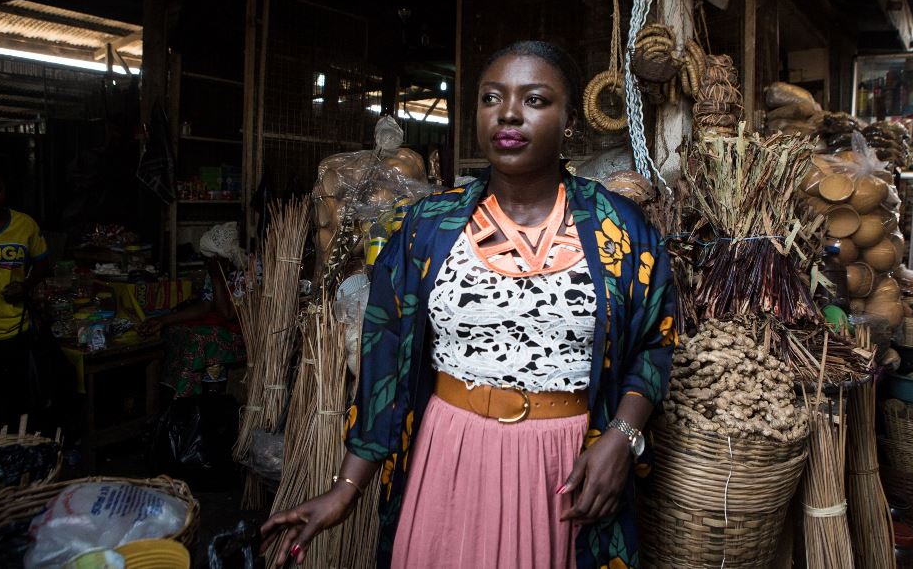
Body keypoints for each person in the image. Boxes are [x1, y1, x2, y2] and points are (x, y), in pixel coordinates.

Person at [261, 41, 677, 568]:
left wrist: (622, 436)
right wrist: (346, 487)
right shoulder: (426, 228)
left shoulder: (622, 229)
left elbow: (657, 342)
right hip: (449, 457)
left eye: (535, 99)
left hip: (567, 468)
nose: (508, 112)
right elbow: (384, 359)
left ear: (570, 121)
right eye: (491, 97)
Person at [0, 154, 50, 433]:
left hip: (17, 331)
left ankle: (21, 464)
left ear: (6, 190)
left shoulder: (24, 224)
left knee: (21, 406)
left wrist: (26, 285)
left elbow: (43, 265)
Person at [139, 223, 248, 399]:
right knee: (175, 331)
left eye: (209, 259)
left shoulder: (246, 273)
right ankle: (171, 394)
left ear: (224, 258)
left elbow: (228, 314)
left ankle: (187, 397)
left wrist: (217, 278)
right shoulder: (215, 269)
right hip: (223, 328)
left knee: (197, 341)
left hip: (244, 336)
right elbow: (204, 306)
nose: (206, 263)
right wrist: (164, 320)